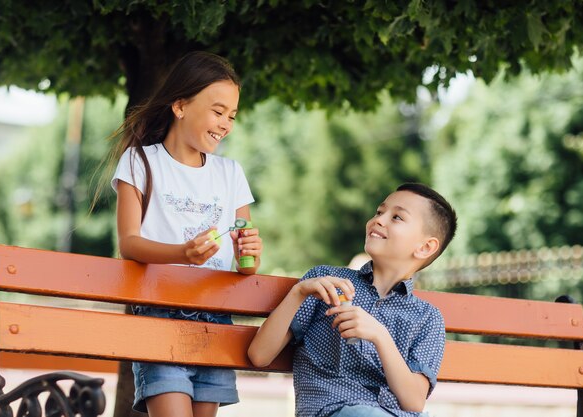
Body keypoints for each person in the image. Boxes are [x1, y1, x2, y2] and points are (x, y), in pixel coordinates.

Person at [109, 51, 263, 417]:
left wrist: (251, 254)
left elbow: (246, 267)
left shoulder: (231, 173)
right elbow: (128, 243)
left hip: (216, 317)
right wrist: (182, 254)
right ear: (180, 106)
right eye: (217, 110)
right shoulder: (140, 161)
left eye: (232, 115)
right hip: (160, 314)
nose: (226, 123)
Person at [248, 183, 457, 417]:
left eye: (396, 217)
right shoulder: (324, 282)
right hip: (332, 410)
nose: (378, 219)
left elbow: (413, 402)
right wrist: (298, 293)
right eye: (379, 212)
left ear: (425, 247)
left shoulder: (427, 318)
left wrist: (380, 336)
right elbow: (259, 355)